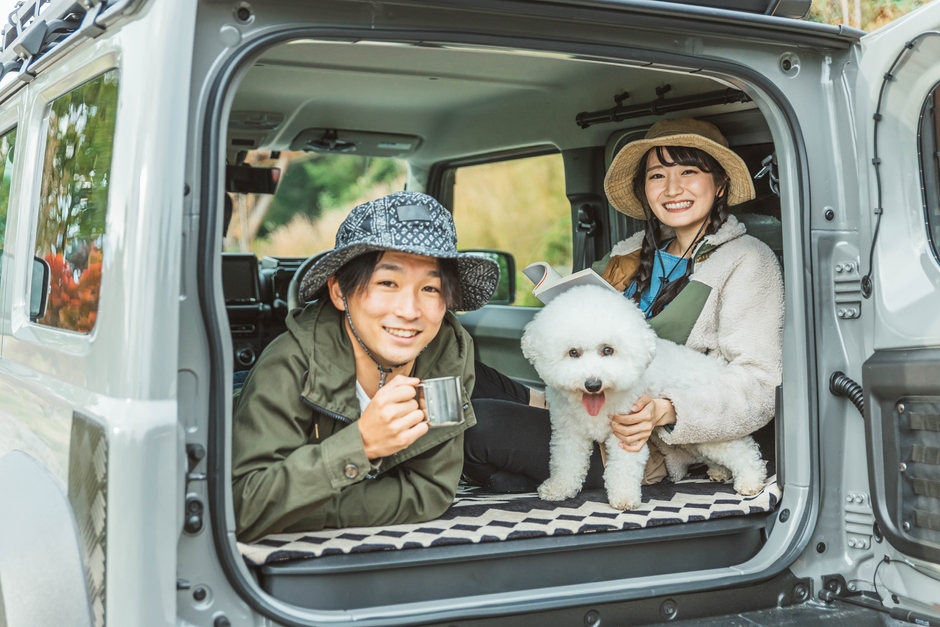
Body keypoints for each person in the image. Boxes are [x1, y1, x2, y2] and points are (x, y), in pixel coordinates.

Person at [464, 117, 784, 492]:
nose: (672, 188)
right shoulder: (629, 252)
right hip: (583, 403)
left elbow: (760, 384)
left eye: (689, 171)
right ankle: (510, 474)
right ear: (644, 188)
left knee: (478, 426)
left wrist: (667, 410)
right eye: (657, 176)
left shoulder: (747, 260)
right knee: (463, 377)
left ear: (720, 184)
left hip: (641, 440)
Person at [232, 191, 499, 543]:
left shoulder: (448, 352)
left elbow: (430, 492)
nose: (409, 310)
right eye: (387, 283)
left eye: (431, 288)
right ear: (340, 292)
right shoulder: (289, 363)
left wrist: (301, 508)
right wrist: (363, 444)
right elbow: (244, 506)